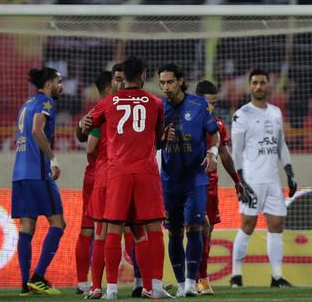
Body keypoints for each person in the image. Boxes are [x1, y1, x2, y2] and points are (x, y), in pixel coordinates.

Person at [84, 57, 169, 299]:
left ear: (124, 77)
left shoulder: (108, 102)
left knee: (112, 226)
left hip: (118, 172)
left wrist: (82, 123)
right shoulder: (155, 102)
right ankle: (157, 287)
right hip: (146, 171)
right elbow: (158, 137)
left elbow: (89, 126)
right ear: (143, 75)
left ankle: (110, 289)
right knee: (151, 228)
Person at [229, 69, 296, 288]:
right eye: (255, 83)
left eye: (262, 82)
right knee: (247, 224)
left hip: (273, 180)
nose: (259, 86)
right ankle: (236, 276)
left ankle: (277, 277)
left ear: (268, 86)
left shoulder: (276, 112)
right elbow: (236, 152)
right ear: (249, 86)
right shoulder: (242, 115)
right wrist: (240, 181)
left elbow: (280, 144)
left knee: (276, 225)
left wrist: (289, 172)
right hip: (252, 179)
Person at [157, 64, 219, 297]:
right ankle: (181, 283)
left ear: (181, 82)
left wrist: (212, 154)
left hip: (196, 178)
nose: (166, 87)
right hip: (169, 179)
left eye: (170, 82)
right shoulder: (157, 107)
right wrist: (161, 138)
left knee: (194, 226)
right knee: (174, 231)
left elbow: (215, 134)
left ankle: (192, 283)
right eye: (162, 83)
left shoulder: (200, 105)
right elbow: (151, 143)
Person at [11, 67, 67, 296]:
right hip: (38, 172)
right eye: (59, 81)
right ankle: (39, 277)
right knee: (58, 223)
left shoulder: (26, 103)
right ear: (49, 83)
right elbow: (36, 129)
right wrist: (53, 160)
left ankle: (25, 284)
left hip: (20, 173)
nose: (61, 86)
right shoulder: (46, 102)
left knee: (27, 226)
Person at [193, 80, 245, 295]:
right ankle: (194, 279)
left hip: (211, 186)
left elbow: (223, 154)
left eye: (214, 103)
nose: (210, 108)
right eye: (207, 103)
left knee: (207, 231)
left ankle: (197, 278)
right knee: (192, 229)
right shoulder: (185, 121)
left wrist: (237, 180)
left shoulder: (218, 124)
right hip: (188, 183)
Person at [75, 71, 115, 296]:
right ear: (109, 88)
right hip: (104, 175)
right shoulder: (106, 109)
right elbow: (89, 144)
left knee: (89, 229)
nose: (121, 83)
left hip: (94, 175)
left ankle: (84, 282)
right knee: (116, 228)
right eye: (117, 81)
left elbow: (83, 136)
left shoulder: (94, 111)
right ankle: (130, 283)